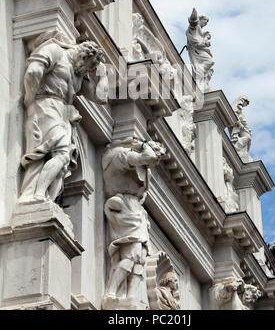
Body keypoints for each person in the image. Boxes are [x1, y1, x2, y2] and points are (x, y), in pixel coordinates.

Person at [19, 31, 109, 204]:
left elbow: (101, 97)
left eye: (91, 69)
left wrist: (103, 74)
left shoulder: (79, 73)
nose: (86, 71)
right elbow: (33, 72)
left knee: (63, 162)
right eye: (88, 66)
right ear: (82, 55)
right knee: (59, 154)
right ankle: (35, 195)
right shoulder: (56, 51)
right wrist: (30, 101)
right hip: (46, 106)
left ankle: (45, 199)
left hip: (63, 113)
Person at [102, 138, 166, 302]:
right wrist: (144, 145)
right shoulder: (120, 155)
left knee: (140, 259)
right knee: (131, 255)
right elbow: (149, 157)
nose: (157, 157)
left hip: (137, 212)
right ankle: (111, 293)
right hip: (125, 209)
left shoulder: (145, 170)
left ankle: (130, 298)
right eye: (156, 151)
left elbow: (143, 195)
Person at [186, 8, 214, 92]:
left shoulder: (200, 31)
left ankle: (200, 79)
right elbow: (195, 41)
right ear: (200, 20)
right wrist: (205, 43)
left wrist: (205, 39)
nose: (205, 24)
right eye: (205, 21)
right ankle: (199, 77)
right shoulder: (194, 28)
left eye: (206, 22)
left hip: (199, 50)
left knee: (209, 62)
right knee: (210, 61)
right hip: (196, 51)